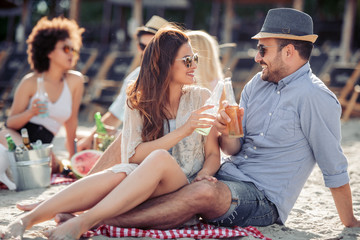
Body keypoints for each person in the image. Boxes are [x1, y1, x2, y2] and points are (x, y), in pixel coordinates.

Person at [15, 8, 360, 230]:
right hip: (226, 173)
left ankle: (96, 218)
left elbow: (334, 165)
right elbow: (234, 148)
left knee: (203, 196)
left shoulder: (316, 99)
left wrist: (350, 223)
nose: (256, 57)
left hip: (264, 197)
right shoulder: (259, 84)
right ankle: (76, 200)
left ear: (288, 51)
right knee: (134, 150)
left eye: (263, 49)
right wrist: (225, 132)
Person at [1, 26, 221, 239]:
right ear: (164, 64)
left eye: (195, 59)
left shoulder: (200, 97)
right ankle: (26, 220)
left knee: (158, 158)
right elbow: (133, 155)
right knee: (120, 172)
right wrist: (184, 130)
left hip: (184, 181)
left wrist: (205, 174)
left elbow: (212, 153)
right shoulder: (138, 98)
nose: (194, 65)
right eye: (187, 60)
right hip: (143, 179)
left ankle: (82, 222)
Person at [0, 16, 85, 173]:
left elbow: (71, 122)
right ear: (48, 52)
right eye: (66, 49)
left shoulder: (75, 81)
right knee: (34, 161)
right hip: (17, 138)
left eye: (73, 49)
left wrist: (75, 160)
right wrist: (31, 112)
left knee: (44, 164)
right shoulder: (30, 82)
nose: (71, 53)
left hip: (43, 147)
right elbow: (11, 123)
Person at [77, 15, 169, 151]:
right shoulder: (136, 76)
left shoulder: (176, 76)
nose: (145, 52)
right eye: (142, 46)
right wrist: (89, 138)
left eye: (151, 47)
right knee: (80, 137)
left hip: (165, 145)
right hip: (140, 145)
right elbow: (115, 115)